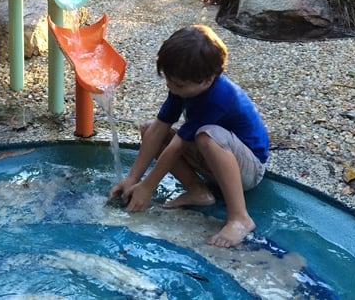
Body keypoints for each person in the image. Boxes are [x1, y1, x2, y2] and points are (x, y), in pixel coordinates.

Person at [109, 25, 269, 248]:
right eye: (168, 81)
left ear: (208, 79)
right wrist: (133, 178)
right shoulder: (182, 87)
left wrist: (148, 186)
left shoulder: (218, 97)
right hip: (214, 162)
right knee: (149, 129)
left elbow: (177, 146)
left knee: (206, 136)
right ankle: (198, 190)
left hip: (248, 170)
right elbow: (159, 129)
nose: (171, 88)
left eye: (178, 85)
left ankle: (239, 217)